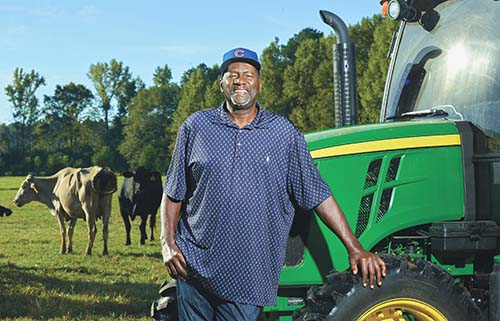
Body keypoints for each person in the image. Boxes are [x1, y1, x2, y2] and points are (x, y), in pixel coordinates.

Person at [160, 47, 386, 321]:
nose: (239, 80)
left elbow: (318, 195)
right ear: (221, 83)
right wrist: (168, 242)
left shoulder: (283, 133)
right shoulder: (196, 127)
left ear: (259, 84)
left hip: (248, 272)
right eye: (232, 74)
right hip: (193, 268)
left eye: (248, 74)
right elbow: (173, 192)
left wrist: (354, 247)